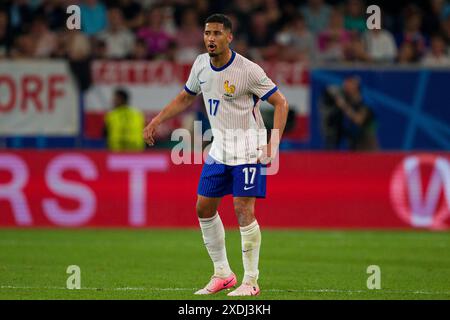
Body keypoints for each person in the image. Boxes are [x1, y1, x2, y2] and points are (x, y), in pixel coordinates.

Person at [143, 14, 288, 296]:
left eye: (217, 34)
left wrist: (273, 143)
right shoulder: (200, 64)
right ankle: (222, 273)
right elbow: (186, 96)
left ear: (229, 37)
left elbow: (280, 102)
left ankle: (251, 281)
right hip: (220, 150)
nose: (211, 38)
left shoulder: (248, 70)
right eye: (207, 33)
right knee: (204, 208)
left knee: (243, 211)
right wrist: (157, 120)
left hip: (248, 149)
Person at [321, 76, 378, 151]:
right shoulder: (348, 98)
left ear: (356, 87)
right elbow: (328, 90)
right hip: (354, 136)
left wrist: (344, 106)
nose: (345, 88)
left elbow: (359, 120)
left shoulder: (365, 102)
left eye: (349, 86)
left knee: (369, 159)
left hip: (366, 137)